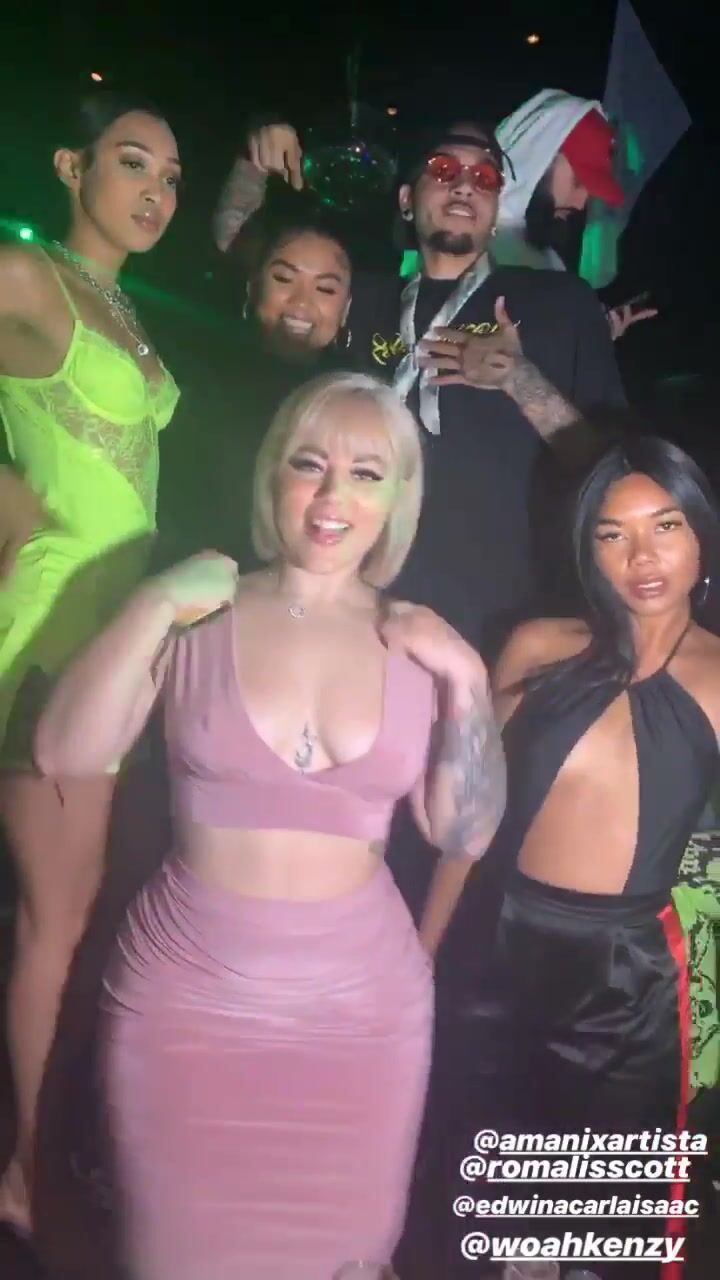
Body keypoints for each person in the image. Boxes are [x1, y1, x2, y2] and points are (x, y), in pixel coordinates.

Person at [33, 371, 507, 1280]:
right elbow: (64, 750)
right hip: (185, 1006)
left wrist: (469, 681)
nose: (333, 497)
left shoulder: (419, 642)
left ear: (398, 499)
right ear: (272, 475)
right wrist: (151, 604)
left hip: (361, 1021)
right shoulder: (197, 612)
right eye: (309, 464)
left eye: (366, 474)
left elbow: (467, 832)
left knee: (345, 1260)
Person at [444, 435, 720, 1278]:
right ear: (586, 547)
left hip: (627, 976)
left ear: (701, 534)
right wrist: (420, 951)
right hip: (500, 946)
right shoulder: (536, 646)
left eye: (665, 525)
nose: (642, 556)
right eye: (613, 533)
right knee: (500, 1208)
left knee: (608, 1225)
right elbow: (467, 823)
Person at [215, 117, 626, 660]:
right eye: (443, 169)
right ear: (407, 200)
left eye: (485, 178)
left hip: (506, 624)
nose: (465, 185)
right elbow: (251, 261)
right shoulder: (363, 299)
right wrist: (252, 166)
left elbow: (611, 467)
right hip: (363, 618)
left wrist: (520, 380)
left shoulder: (559, 302)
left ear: (497, 205)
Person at [0, 88, 181, 1233]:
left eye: (170, 175)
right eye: (133, 163)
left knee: (81, 918)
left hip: (121, 646)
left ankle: (52, 1144)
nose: (156, 191)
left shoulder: (121, 303)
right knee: (54, 922)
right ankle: (26, 1171)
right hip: (55, 635)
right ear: (73, 167)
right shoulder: (28, 277)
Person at [160, 213, 352, 568]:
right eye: (284, 279)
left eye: (325, 289)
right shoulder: (200, 375)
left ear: (346, 308)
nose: (301, 302)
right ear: (253, 287)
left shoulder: (355, 398)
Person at [494, 89, 657, 340]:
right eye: (578, 182)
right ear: (539, 157)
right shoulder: (465, 242)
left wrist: (592, 337)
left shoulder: (543, 254)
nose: (580, 205)